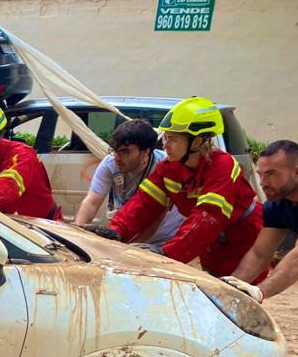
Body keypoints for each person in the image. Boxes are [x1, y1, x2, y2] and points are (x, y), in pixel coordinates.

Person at [87, 97, 264, 279]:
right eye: (165, 137)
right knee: (215, 292)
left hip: (245, 238)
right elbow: (143, 203)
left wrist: (167, 254)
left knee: (240, 293)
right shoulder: (170, 167)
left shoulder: (222, 165)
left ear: (197, 142)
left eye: (173, 139)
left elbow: (207, 217)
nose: (165, 145)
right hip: (214, 241)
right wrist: (116, 231)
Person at [226, 140, 298, 340]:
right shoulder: (277, 205)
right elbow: (259, 255)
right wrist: (227, 290)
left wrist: (260, 292)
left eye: (271, 174)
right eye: (260, 174)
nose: (263, 182)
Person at [72, 119, 183, 246]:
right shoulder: (110, 163)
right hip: (128, 229)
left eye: (125, 151)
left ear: (145, 152)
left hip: (163, 236)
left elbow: (157, 218)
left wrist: (129, 248)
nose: (117, 158)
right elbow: (92, 201)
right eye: (114, 150)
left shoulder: (164, 167)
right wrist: (77, 232)